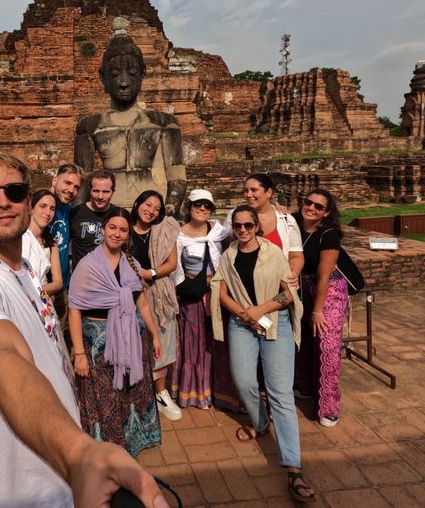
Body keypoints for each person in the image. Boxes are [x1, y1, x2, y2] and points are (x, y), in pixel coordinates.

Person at [0, 150, 167, 508]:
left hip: (63, 481)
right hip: (21, 490)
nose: (2, 202)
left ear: (28, 202)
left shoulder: (26, 268)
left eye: (13, 192)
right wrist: (78, 455)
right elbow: (4, 359)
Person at [211, 205, 315, 503]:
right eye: (238, 226)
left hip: (274, 323)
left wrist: (261, 310)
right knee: (244, 382)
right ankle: (259, 423)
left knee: (280, 392)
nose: (243, 230)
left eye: (248, 226)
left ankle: (294, 468)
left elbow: (288, 294)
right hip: (242, 323)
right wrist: (244, 313)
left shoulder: (273, 254)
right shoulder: (229, 255)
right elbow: (220, 290)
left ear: (257, 227)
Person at [68, 207, 163, 457]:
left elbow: (140, 301)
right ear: (103, 229)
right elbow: (74, 309)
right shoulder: (87, 266)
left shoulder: (131, 263)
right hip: (99, 342)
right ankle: (105, 449)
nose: (117, 234)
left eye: (123, 230)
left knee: (130, 391)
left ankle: (130, 442)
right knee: (102, 395)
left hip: (132, 337)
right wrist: (79, 353)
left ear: (128, 233)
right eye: (112, 228)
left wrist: (153, 333)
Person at [74, 21, 186, 215]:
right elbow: (82, 180)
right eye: (115, 74)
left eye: (132, 73)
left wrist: (169, 210)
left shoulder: (164, 123)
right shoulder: (89, 126)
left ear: (142, 74)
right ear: (103, 78)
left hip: (152, 212)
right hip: (108, 215)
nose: (124, 82)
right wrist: (78, 219)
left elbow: (176, 176)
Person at [292, 188, 348, 428]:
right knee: (303, 340)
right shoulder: (293, 223)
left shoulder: (329, 235)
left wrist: (317, 310)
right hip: (300, 287)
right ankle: (305, 386)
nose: (311, 208)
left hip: (328, 291)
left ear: (326, 213)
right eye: (308, 203)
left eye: (318, 207)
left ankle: (329, 407)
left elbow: (324, 276)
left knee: (327, 345)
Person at [169, 188, 230, 409]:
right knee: (194, 342)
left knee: (216, 341)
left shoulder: (220, 232)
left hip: (217, 292)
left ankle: (217, 389)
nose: (202, 209)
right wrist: (182, 287)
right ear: (189, 207)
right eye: (198, 205)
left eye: (207, 206)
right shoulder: (179, 234)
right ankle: (194, 392)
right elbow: (174, 266)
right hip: (191, 295)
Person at [130, 190, 182, 421]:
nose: (151, 211)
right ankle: (138, 394)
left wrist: (149, 272)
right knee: (134, 345)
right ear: (137, 203)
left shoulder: (164, 231)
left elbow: (172, 263)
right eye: (147, 205)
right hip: (128, 296)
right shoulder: (123, 229)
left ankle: (161, 392)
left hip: (159, 292)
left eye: (156, 209)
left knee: (162, 343)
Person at [70, 170, 115, 269]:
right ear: (90, 190)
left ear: (113, 192)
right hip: (81, 279)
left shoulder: (118, 215)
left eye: (105, 191)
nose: (100, 196)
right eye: (96, 191)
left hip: (109, 279)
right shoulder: (75, 213)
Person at [24, 188, 63, 295]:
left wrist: (33, 292)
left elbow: (58, 283)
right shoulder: (18, 238)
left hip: (42, 301)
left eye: (52, 209)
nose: (48, 212)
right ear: (31, 208)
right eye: (43, 206)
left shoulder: (52, 244)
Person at [49, 163, 83, 289]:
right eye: (67, 183)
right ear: (55, 181)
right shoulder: (36, 206)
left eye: (76, 187)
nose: (71, 190)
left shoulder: (69, 210)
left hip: (63, 286)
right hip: (39, 285)